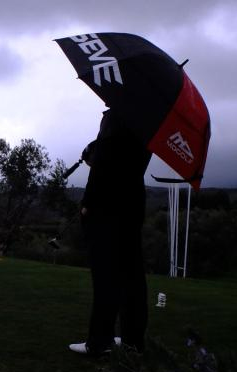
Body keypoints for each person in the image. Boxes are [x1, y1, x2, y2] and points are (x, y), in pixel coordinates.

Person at [69, 108, 152, 355]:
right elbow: (124, 159)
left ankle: (99, 342)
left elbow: (106, 163)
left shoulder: (117, 115)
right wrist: (96, 149)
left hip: (106, 208)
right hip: (132, 205)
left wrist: (88, 203)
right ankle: (132, 341)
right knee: (132, 276)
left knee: (106, 277)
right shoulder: (149, 118)